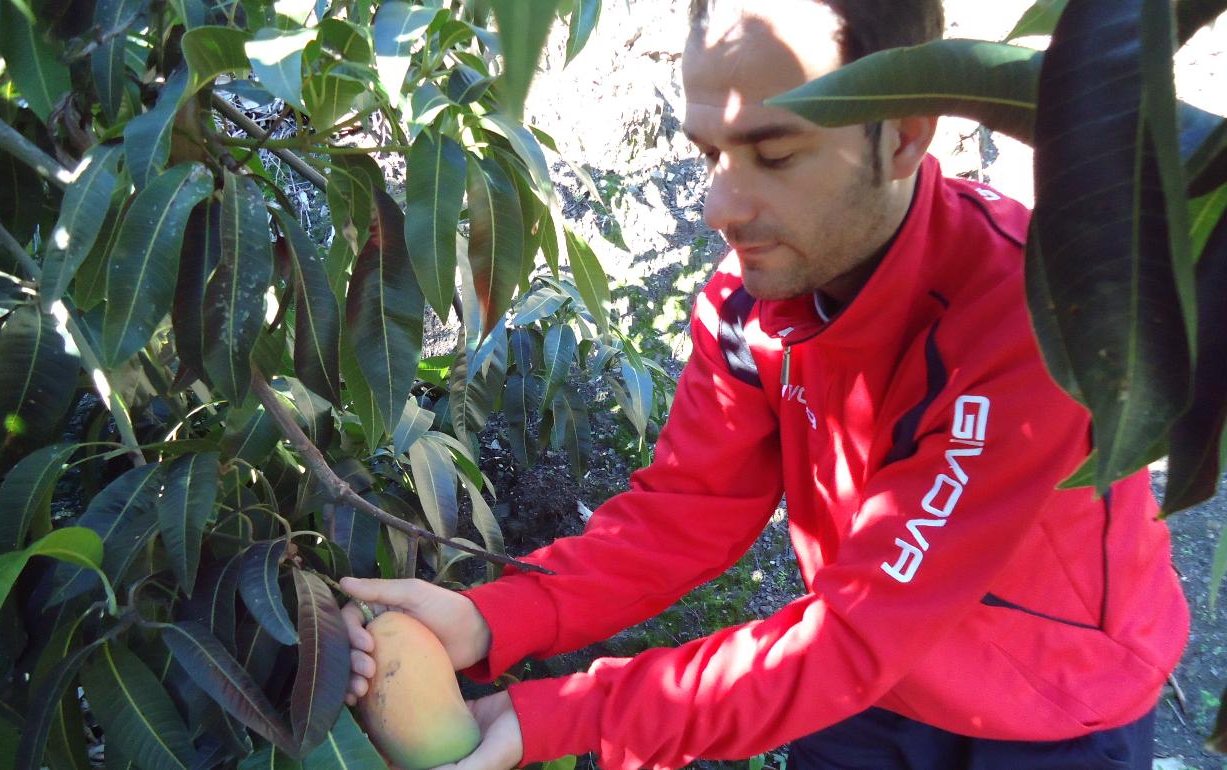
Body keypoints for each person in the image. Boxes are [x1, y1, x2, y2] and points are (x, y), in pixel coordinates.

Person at [341, 1, 1190, 768]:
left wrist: (565, 713)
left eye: (773, 153)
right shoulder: (751, 302)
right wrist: (497, 618)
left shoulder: (1029, 319)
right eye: (709, 152)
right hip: (859, 691)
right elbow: (685, 513)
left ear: (903, 135)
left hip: (1049, 714)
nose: (718, 206)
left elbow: (853, 631)